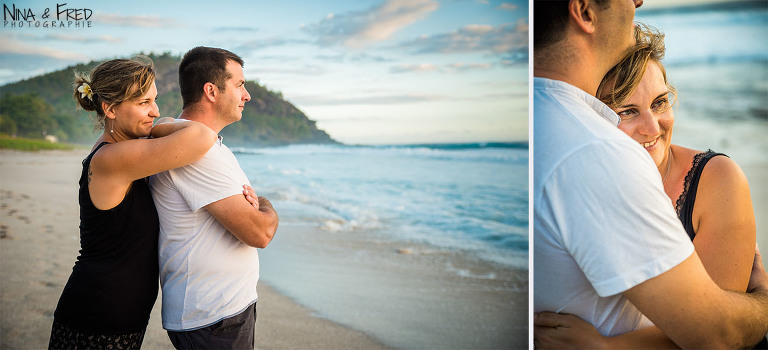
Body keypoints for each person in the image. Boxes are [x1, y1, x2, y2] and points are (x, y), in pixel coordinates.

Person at [532, 0, 768, 349]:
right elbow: (714, 330)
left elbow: (723, 335)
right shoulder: (598, 159)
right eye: (627, 111)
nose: (652, 126)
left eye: (660, 102)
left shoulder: (717, 178)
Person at [48, 56, 218, 348]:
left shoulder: (121, 149)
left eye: (155, 100)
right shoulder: (111, 158)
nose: (155, 111)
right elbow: (202, 137)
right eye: (143, 103)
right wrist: (158, 128)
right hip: (98, 316)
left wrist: (152, 124)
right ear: (110, 109)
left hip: (115, 313)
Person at [149, 46, 279, 349]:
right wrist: (266, 206)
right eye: (239, 85)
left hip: (223, 311)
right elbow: (260, 232)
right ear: (211, 91)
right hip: (213, 316)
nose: (247, 95)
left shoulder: (200, 142)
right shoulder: (197, 152)